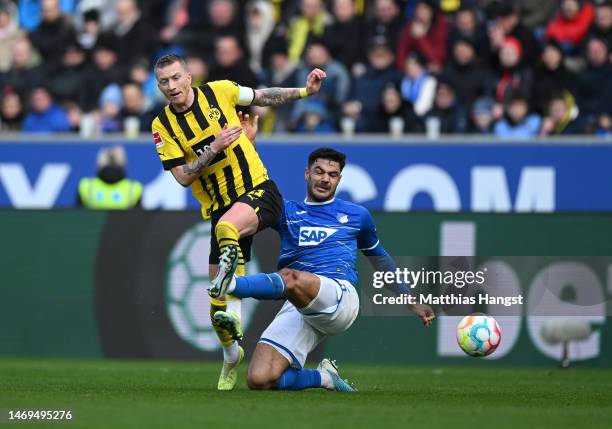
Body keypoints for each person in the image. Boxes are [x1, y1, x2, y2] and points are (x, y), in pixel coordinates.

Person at [151, 53, 326, 391]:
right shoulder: (161, 126)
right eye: (164, 82)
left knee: (227, 232)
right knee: (215, 296)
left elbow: (263, 96)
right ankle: (232, 354)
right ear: (159, 86)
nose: (172, 86)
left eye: (176, 78)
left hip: (259, 189)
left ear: (189, 76)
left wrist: (305, 92)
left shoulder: (220, 92)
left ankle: (237, 311)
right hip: (221, 206)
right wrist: (214, 147)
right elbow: (183, 177)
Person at [208, 147, 436, 391]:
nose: (325, 178)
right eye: (319, 171)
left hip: (340, 298)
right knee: (260, 379)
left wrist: (410, 300)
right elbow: (247, 210)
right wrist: (246, 143)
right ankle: (325, 378)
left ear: (339, 179)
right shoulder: (286, 211)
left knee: (290, 277)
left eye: (332, 174)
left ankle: (229, 284)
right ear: (307, 174)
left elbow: (380, 260)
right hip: (301, 304)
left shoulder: (357, 216)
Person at [78, 145, 143, 209]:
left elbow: (76, 217)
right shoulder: (134, 188)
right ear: (124, 162)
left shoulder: (86, 186)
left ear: (99, 162)